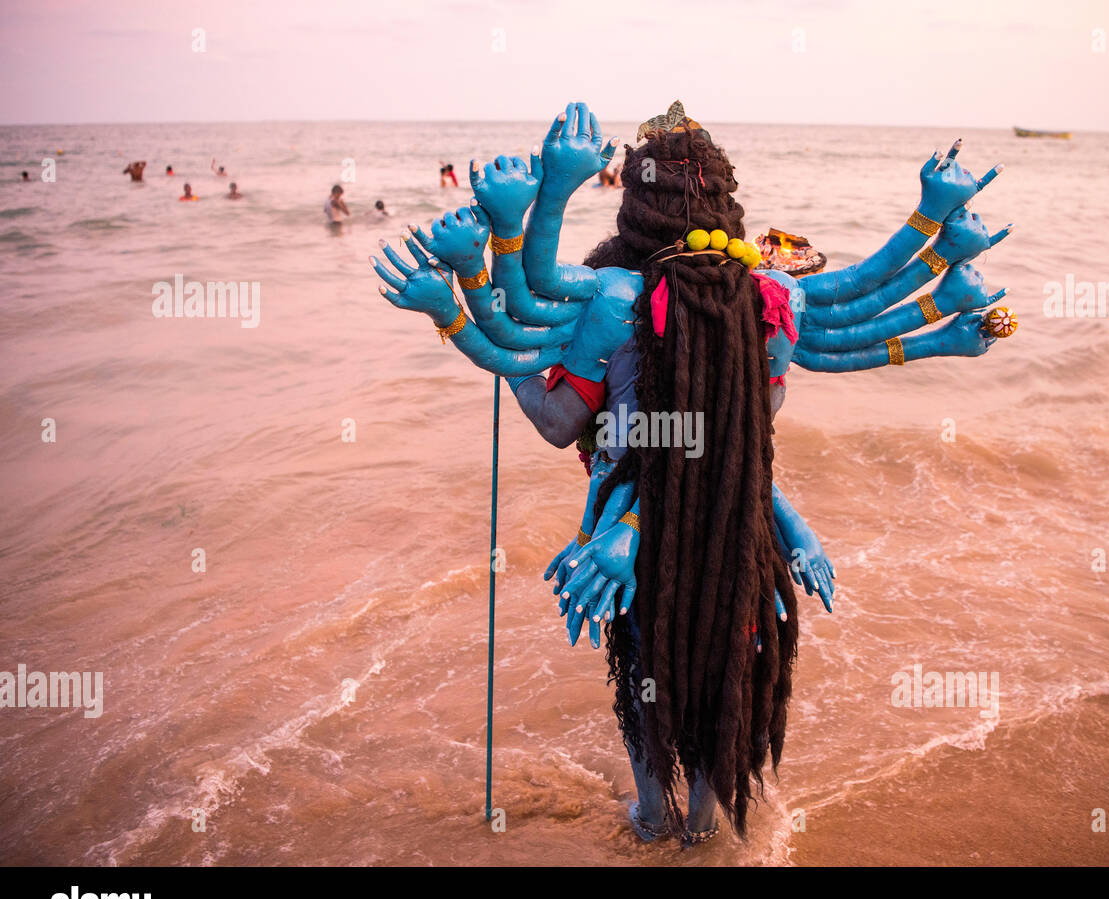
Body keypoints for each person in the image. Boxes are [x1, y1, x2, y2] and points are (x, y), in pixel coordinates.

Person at [373, 100, 1012, 846]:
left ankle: (649, 824)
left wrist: (466, 300)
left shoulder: (612, 302)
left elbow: (545, 384)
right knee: (725, 680)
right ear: (725, 205)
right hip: (740, 537)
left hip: (634, 552)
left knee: (651, 680)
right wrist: (939, 259)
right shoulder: (775, 303)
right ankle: (705, 836)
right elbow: (767, 419)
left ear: (634, 207)